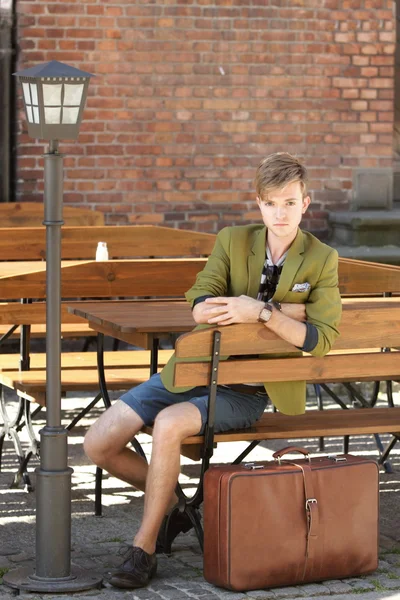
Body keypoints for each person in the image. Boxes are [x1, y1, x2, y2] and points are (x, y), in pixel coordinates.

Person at [84, 152, 342, 589]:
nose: (281, 213)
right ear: (258, 204)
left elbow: (319, 338)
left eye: (290, 202)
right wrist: (285, 312)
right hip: (190, 371)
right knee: (97, 443)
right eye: (271, 203)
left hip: (248, 391)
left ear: (306, 202)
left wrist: (257, 311)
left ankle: (142, 550)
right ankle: (176, 505)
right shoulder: (232, 240)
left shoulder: (321, 257)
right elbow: (201, 302)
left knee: (168, 424)